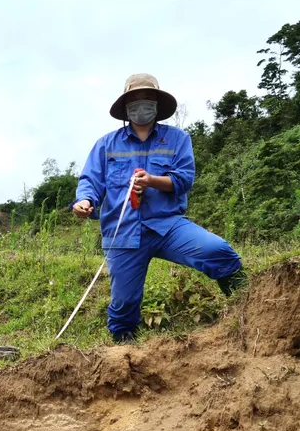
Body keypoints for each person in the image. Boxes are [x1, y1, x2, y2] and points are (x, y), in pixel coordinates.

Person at [72, 74, 247, 343]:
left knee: (219, 252)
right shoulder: (106, 145)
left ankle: (251, 315)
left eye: (147, 100)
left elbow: (184, 179)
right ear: (126, 107)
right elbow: (90, 181)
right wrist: (84, 201)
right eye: (134, 101)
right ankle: (124, 353)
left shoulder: (178, 139)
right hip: (124, 234)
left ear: (156, 104)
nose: (141, 106)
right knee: (123, 304)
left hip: (167, 226)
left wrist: (152, 181)